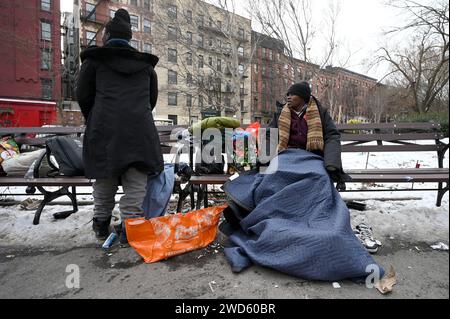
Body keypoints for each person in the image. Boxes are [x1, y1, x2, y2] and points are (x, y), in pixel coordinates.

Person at [76, 8, 163, 244]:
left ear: (106, 36)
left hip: (104, 130)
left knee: (105, 179)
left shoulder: (94, 62)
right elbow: (150, 100)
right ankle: (130, 227)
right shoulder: (145, 67)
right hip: (139, 131)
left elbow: (83, 96)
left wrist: (97, 117)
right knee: (135, 182)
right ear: (128, 38)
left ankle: (101, 225)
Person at [267, 81, 351, 189]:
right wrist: (265, 158)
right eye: (287, 94)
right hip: (286, 155)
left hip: (312, 156)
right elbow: (269, 134)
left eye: (292, 94)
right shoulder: (280, 113)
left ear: (303, 97)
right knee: (275, 175)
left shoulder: (320, 113)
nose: (288, 97)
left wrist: (332, 163)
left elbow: (332, 136)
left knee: (318, 176)